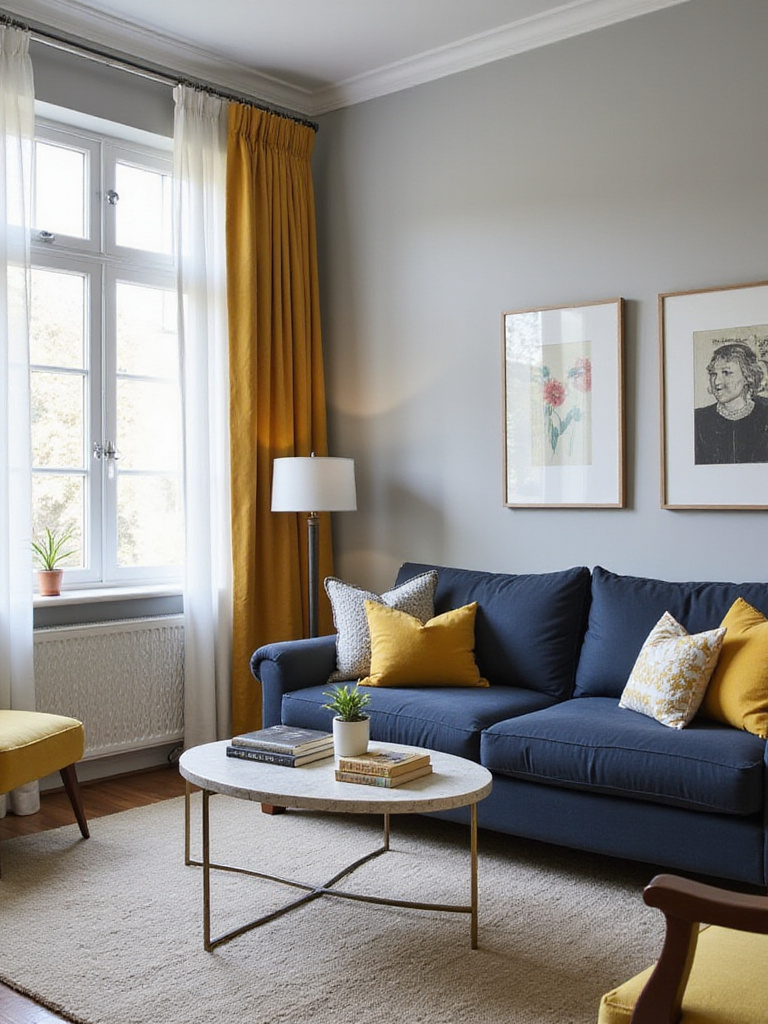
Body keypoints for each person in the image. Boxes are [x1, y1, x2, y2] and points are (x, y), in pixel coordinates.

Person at [694, 342, 768, 464]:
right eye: (713, 374)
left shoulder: (765, 413)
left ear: (747, 376)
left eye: (726, 373)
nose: (717, 381)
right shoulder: (699, 419)